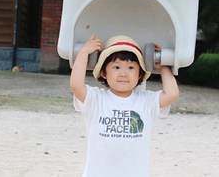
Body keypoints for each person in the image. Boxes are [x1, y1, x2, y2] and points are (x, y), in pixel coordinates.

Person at [70, 34, 180, 177]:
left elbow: (172, 94)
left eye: (130, 67)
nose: (123, 73)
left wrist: (163, 66)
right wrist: (84, 53)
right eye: (116, 67)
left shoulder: (145, 101)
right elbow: (76, 85)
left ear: (140, 74)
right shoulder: (96, 99)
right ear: (104, 72)